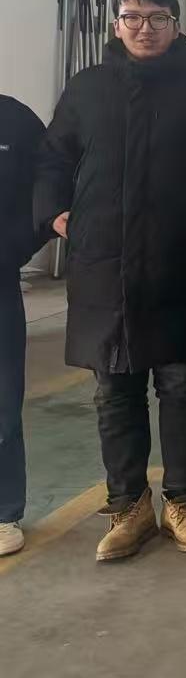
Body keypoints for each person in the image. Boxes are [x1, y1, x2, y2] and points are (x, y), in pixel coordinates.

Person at [33, 0, 186, 562]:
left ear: (176, 25)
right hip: (104, 264)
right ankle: (128, 506)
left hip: (178, 260)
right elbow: (53, 156)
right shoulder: (88, 88)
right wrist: (55, 214)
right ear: (116, 24)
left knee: (181, 385)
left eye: (158, 18)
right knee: (114, 391)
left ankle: (183, 503)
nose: (145, 28)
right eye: (133, 17)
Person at [0, 94, 44, 557]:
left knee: (1, 400)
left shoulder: (13, 120)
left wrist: (13, 248)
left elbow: (49, 184)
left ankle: (2, 511)